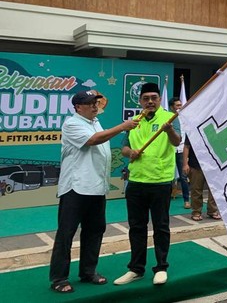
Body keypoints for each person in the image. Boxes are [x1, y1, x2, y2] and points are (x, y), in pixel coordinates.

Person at [49, 91, 139, 293]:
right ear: (78, 107)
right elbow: (94, 140)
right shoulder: (72, 123)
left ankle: (88, 271)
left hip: (97, 189)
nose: (94, 106)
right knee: (66, 234)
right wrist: (122, 127)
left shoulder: (95, 122)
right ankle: (59, 278)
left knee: (95, 231)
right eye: (89, 103)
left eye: (95, 102)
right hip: (76, 188)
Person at [115, 82, 180, 286]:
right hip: (135, 181)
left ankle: (161, 267)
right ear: (140, 100)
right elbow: (124, 147)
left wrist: (169, 131)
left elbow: (177, 142)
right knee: (136, 227)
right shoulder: (134, 121)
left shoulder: (169, 118)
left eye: (154, 97)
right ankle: (136, 269)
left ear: (159, 99)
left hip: (160, 181)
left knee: (161, 226)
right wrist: (130, 153)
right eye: (146, 98)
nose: (150, 101)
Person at [183, 137, 220, 221]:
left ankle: (213, 210)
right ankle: (196, 211)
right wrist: (185, 164)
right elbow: (186, 146)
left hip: (212, 163)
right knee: (196, 189)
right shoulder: (192, 128)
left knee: (214, 189)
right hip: (195, 164)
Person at [169, 98, 189, 209]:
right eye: (177, 105)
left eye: (181, 105)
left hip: (181, 150)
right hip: (170, 149)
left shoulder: (185, 117)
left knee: (183, 176)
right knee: (168, 175)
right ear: (172, 107)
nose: (180, 107)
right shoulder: (168, 117)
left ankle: (186, 200)